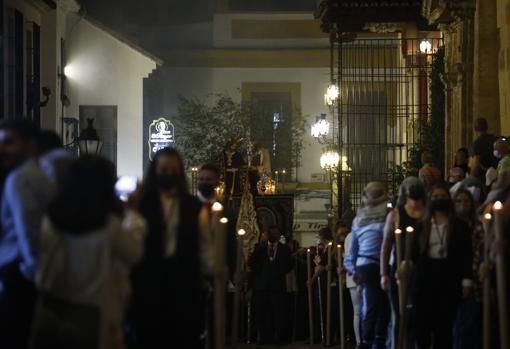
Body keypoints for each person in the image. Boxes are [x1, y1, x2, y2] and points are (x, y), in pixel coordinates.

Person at [30, 155, 146, 349]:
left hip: (54, 305)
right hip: (94, 311)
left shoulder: (52, 218)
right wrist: (132, 213)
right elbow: (134, 255)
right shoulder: (108, 224)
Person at [128, 147, 208, 348]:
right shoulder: (142, 204)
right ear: (155, 171)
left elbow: (204, 247)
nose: (168, 175)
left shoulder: (193, 206)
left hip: (183, 287)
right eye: (163, 170)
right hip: (148, 286)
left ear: (180, 173)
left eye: (173, 170)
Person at [0, 120, 63, 349]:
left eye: (9, 142)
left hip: (19, 272)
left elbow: (28, 230)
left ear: (30, 145)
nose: (2, 149)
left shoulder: (21, 179)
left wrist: (33, 271)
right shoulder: (40, 176)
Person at [413, 184, 473, 349]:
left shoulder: (460, 226)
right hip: (425, 279)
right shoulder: (421, 226)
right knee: (422, 327)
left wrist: (467, 279)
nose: (439, 200)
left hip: (449, 279)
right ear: (430, 200)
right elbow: (412, 254)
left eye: (443, 197)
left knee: (444, 328)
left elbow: (467, 254)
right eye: (436, 197)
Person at [380, 177, 427, 349]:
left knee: (420, 314)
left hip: (422, 268)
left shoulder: (427, 213)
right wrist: (383, 273)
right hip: (398, 270)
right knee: (401, 314)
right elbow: (385, 246)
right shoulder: (396, 214)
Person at [345, 182, 390, 349]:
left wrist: (353, 268)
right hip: (374, 265)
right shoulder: (387, 215)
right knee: (373, 307)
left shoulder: (359, 218)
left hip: (366, 265)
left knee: (376, 307)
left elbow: (353, 251)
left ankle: (374, 342)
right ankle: (368, 342)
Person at [249, 225, 293, 345]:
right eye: (271, 234)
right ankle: (263, 337)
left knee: (278, 313)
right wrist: (262, 272)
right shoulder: (260, 248)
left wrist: (278, 271)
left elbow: (289, 264)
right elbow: (252, 262)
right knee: (262, 312)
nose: (274, 236)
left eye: (276, 234)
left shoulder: (284, 249)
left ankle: (279, 338)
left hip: (278, 285)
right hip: (262, 286)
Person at [452, 188, 484, 349]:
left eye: (466, 201)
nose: (462, 205)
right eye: (458, 201)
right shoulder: (449, 225)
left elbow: (480, 252)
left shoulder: (477, 226)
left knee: (469, 326)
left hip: (474, 279)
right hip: (452, 281)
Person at [339, 223, 360, 347]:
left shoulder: (349, 237)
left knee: (357, 312)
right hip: (363, 275)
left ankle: (359, 341)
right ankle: (361, 341)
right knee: (360, 311)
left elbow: (348, 258)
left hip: (353, 277)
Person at [469, 117, 498, 181]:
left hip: (483, 176)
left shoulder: (477, 143)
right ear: (487, 127)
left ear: (475, 129)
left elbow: (476, 163)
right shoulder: (496, 139)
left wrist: (470, 178)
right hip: (497, 173)